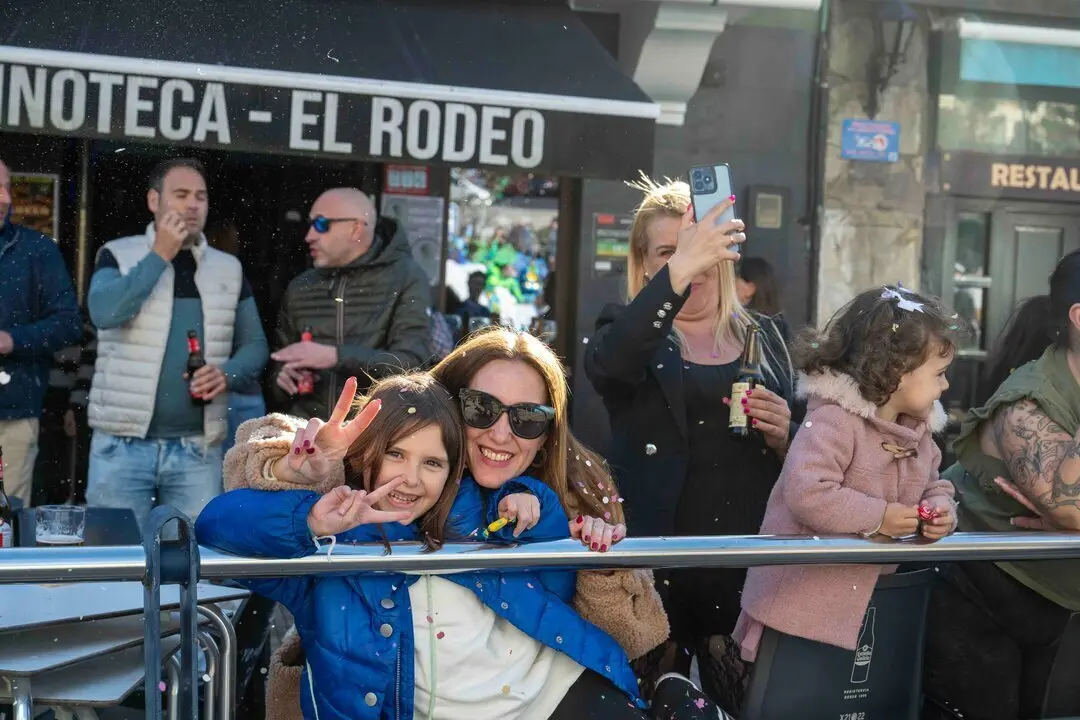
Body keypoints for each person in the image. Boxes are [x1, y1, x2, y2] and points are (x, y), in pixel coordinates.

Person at [199, 371, 728, 719]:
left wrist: (531, 501)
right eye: (395, 455)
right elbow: (217, 526)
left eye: (432, 463)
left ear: (455, 472)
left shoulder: (475, 515)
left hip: (551, 695)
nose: (410, 478)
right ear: (363, 456)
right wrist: (309, 509)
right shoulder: (331, 545)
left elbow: (551, 563)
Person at [584, 177, 795, 712]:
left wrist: (785, 435)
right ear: (645, 264)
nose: (693, 262)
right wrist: (680, 270)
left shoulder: (768, 337)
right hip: (657, 572)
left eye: (702, 247)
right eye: (669, 251)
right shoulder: (624, 330)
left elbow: (812, 456)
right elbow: (609, 365)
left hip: (745, 572)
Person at [733, 284, 959, 662]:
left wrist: (940, 510)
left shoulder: (917, 433)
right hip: (800, 605)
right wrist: (879, 517)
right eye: (939, 373)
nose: (946, 384)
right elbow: (808, 491)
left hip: (865, 604)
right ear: (897, 370)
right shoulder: (834, 420)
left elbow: (934, 482)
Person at [924, 249, 1080, 720]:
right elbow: (1071, 508)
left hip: (1059, 604)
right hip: (982, 595)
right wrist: (1068, 522)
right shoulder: (1026, 402)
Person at [85, 157, 269, 532]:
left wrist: (226, 373)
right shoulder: (117, 253)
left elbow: (256, 346)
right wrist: (159, 255)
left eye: (200, 196)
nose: (192, 205)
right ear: (154, 201)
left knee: (193, 557)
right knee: (113, 555)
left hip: (197, 449)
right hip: (120, 444)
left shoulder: (228, 267)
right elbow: (104, 312)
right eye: (181, 194)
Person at [269, 188, 432, 419]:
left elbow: (414, 365)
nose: (309, 236)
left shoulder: (406, 277)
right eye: (310, 224)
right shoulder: (300, 287)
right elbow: (276, 368)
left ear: (355, 228)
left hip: (373, 432)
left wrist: (336, 357)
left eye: (321, 224)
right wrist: (281, 378)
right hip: (307, 430)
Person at [0, 157, 83, 507]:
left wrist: (12, 340)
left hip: (12, 413)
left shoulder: (36, 250)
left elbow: (69, 323)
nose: (5, 198)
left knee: (4, 521)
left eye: (6, 187)